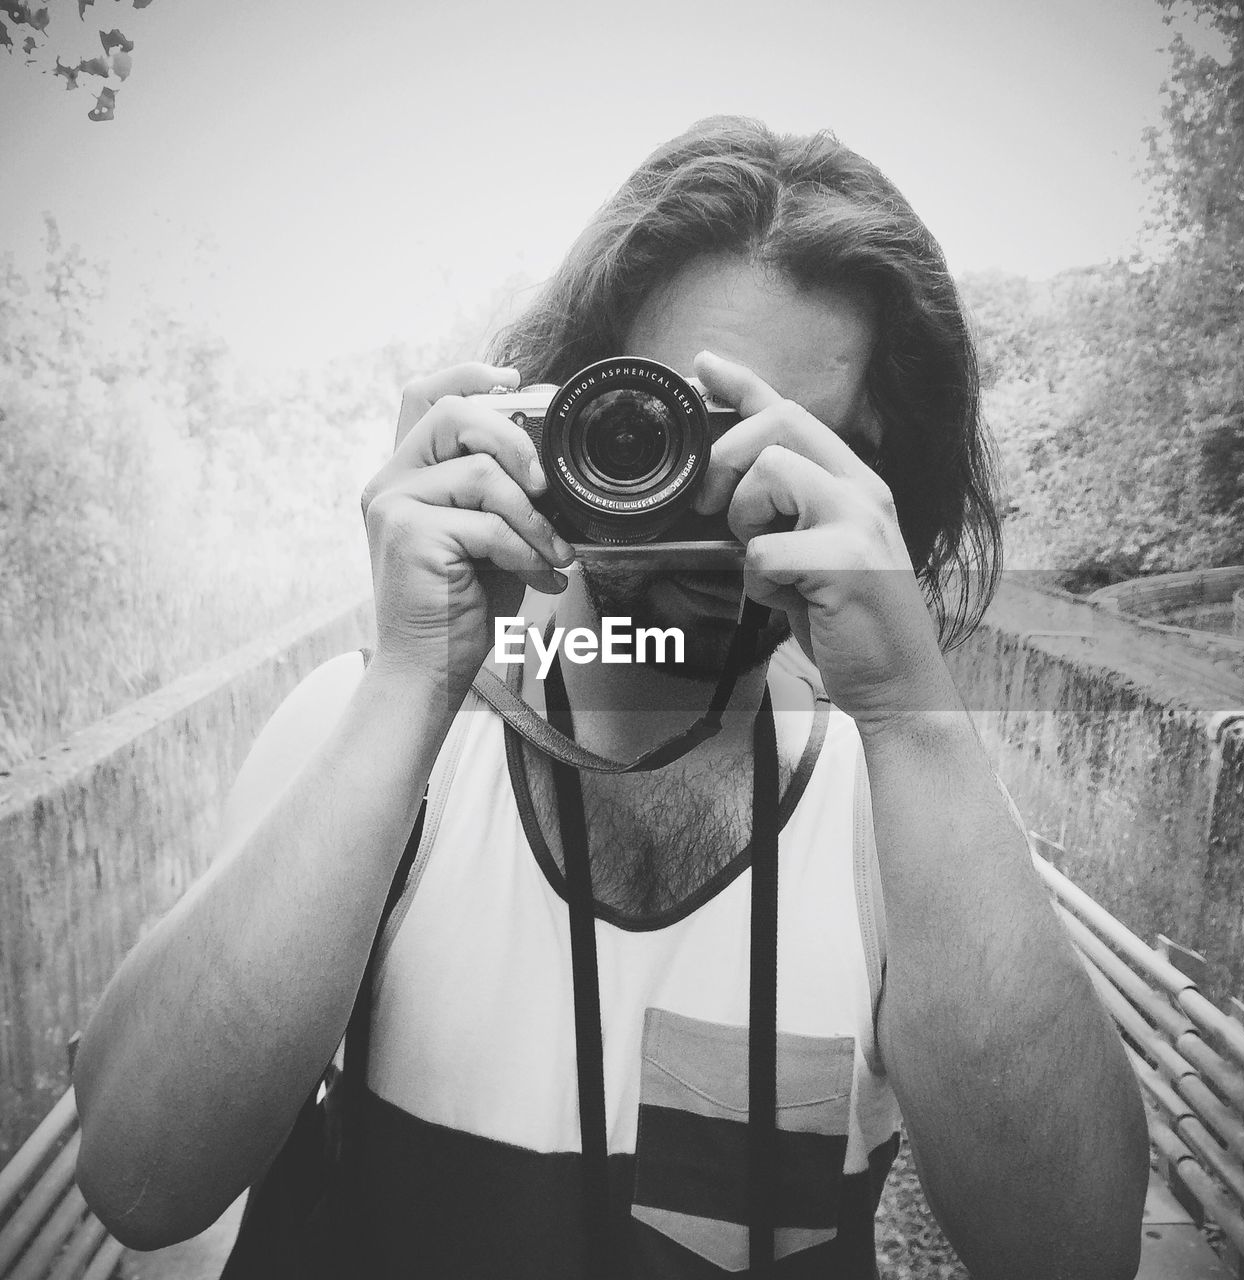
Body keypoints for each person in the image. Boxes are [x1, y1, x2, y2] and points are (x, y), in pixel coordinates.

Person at [73, 116, 1148, 1278]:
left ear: (880, 483)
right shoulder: (376, 740)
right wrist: (411, 676)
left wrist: (906, 714)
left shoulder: (897, 806)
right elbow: (139, 1178)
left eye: (778, 453)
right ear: (559, 411)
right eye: (659, 430)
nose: (718, 505)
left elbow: (1072, 1255)